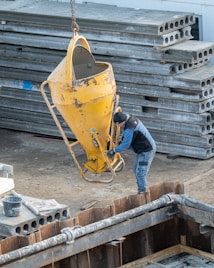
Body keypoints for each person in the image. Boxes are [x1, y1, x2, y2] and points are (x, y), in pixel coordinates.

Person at [107, 112, 156, 194]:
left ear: (121, 122)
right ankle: (141, 188)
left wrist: (114, 150)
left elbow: (126, 145)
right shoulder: (128, 117)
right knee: (135, 169)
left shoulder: (130, 128)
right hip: (142, 149)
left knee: (140, 173)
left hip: (147, 150)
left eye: (117, 125)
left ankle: (142, 192)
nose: (117, 126)